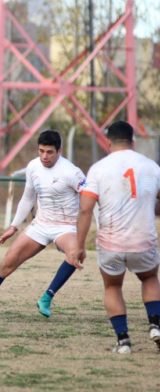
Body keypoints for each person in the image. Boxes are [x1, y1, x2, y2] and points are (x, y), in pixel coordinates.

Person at [0, 130, 86, 319]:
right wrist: (13, 226)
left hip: (66, 226)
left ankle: (47, 297)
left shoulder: (72, 172)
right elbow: (28, 198)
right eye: (41, 151)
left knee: (75, 253)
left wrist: (89, 230)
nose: (44, 156)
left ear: (59, 151)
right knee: (5, 266)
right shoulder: (33, 167)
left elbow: (89, 199)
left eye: (49, 152)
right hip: (40, 224)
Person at [73, 121, 160, 354]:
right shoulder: (151, 167)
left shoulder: (99, 169)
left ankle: (123, 341)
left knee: (112, 286)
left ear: (108, 142)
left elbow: (85, 209)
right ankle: (155, 324)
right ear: (133, 142)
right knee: (150, 277)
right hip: (143, 239)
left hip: (111, 241)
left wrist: (78, 245)